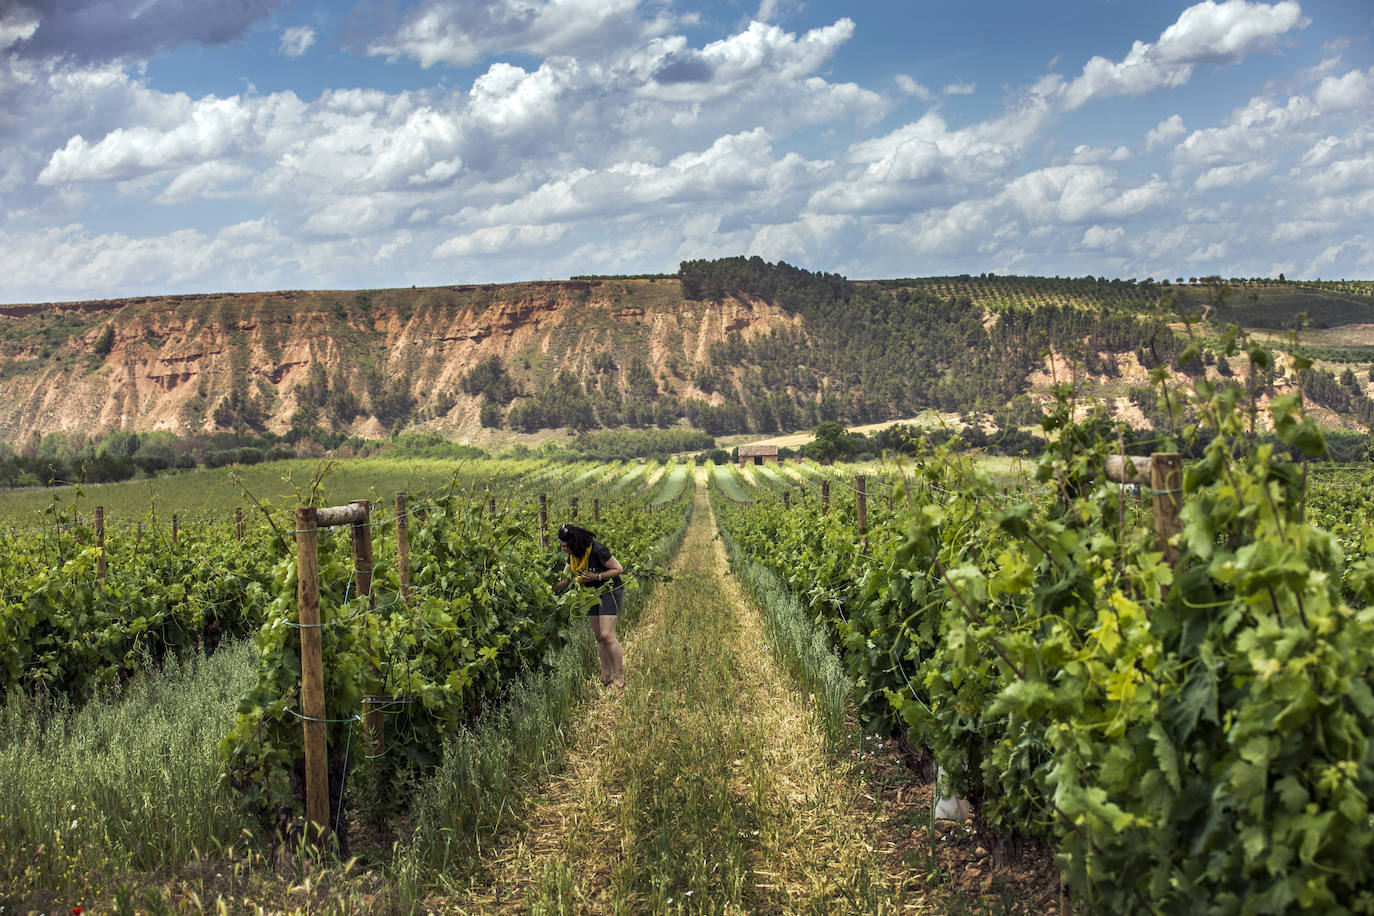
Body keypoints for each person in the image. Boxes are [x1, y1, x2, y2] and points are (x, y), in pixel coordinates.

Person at [555, 524, 626, 689]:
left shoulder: (597, 550)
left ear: (574, 542)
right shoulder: (573, 555)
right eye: (561, 545)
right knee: (599, 635)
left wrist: (597, 576)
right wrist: (549, 588)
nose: (562, 548)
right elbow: (565, 579)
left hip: (609, 590)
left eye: (565, 545)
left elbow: (618, 569)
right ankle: (606, 677)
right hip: (590, 594)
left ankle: (620, 679)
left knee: (608, 635)